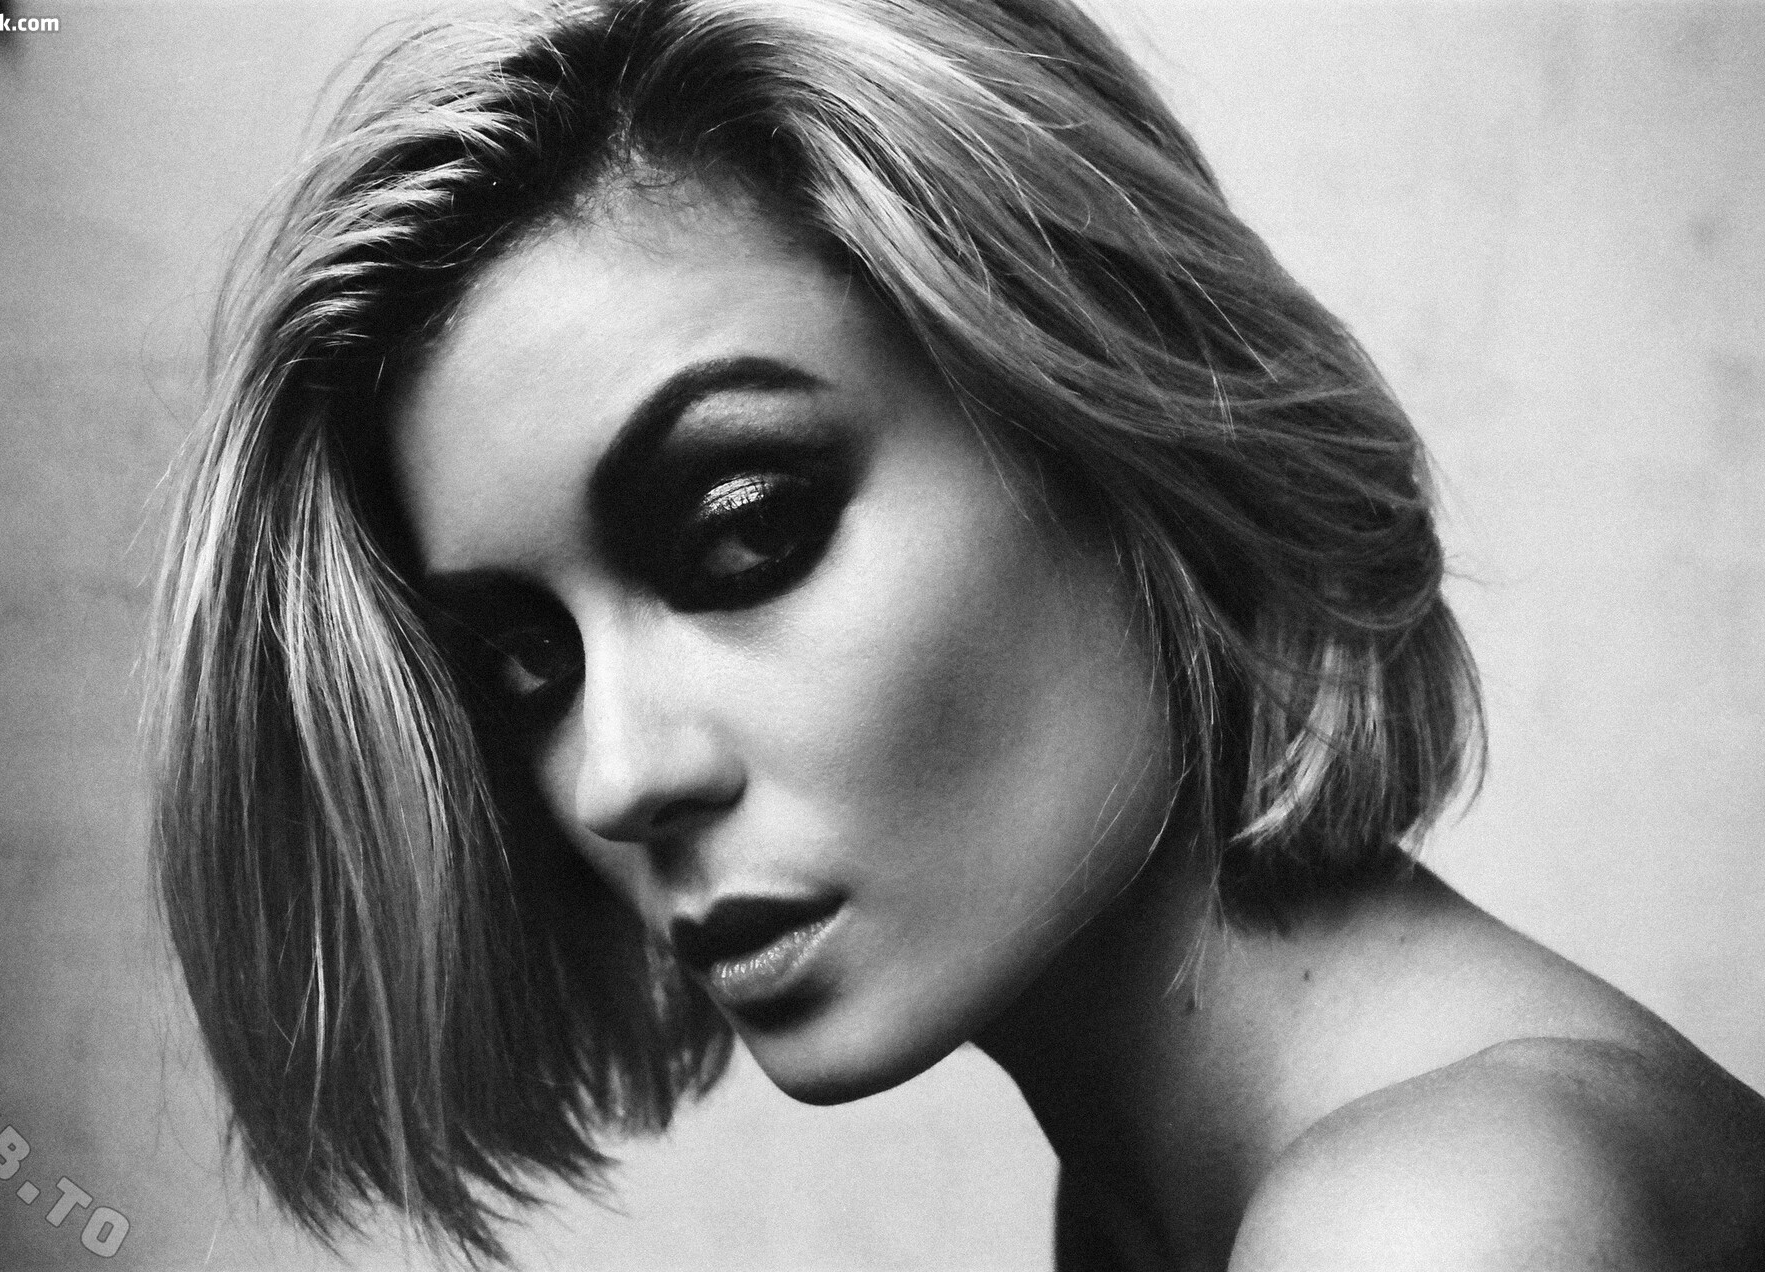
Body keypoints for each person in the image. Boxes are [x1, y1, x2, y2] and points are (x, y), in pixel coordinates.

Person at [148, 0, 1765, 1265]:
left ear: (1116, 420)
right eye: (528, 663)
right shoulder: (1172, 1182)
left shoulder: (1439, 1220)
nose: (614, 778)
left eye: (745, 532)